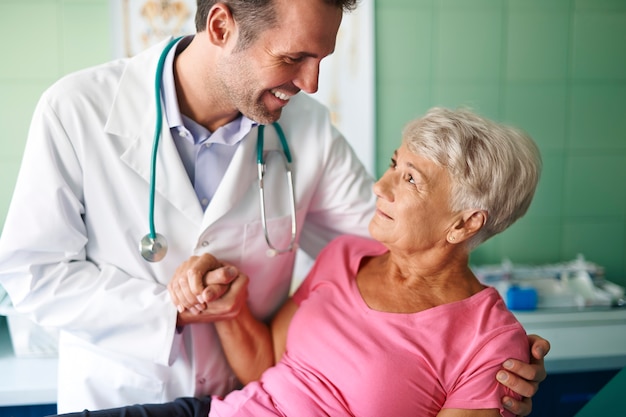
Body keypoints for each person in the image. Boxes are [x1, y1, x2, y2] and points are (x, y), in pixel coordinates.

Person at [0, 0, 547, 414]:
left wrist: (496, 364)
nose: (310, 84)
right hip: (123, 388)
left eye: (321, 59)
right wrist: (174, 309)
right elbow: (31, 274)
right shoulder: (78, 109)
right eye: (294, 58)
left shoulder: (303, 128)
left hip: (241, 392)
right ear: (221, 27)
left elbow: (403, 236)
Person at [54, 107, 543, 417]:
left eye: (410, 179)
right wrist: (229, 306)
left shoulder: (490, 342)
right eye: (395, 164)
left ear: (463, 224)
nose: (381, 185)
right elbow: (265, 364)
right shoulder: (347, 255)